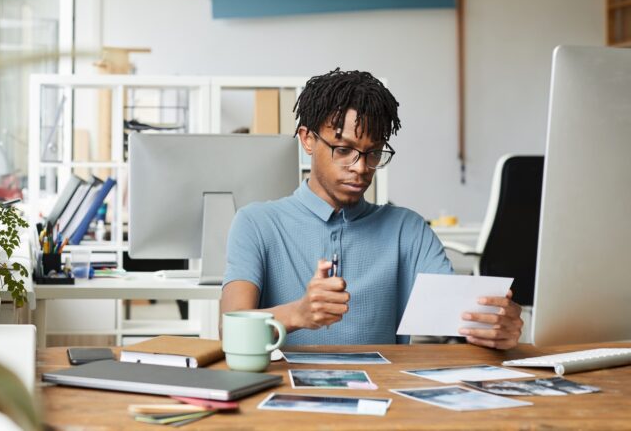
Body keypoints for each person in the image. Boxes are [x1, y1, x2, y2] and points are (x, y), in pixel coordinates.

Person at [221, 68, 523, 349]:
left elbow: (461, 319)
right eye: (343, 150)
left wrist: (496, 326)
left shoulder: (408, 229)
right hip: (287, 386)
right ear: (307, 140)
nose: (361, 167)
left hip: (384, 386)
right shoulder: (256, 223)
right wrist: (297, 314)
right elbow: (229, 331)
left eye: (374, 152)